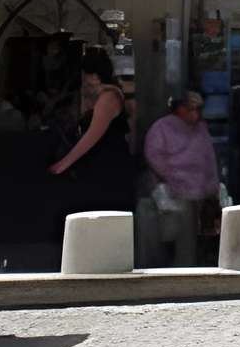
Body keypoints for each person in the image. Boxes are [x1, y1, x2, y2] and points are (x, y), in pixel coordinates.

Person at [49, 49, 135, 227]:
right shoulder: (98, 95)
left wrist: (64, 163)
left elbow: (92, 136)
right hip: (98, 166)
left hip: (109, 166)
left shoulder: (109, 97)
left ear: (93, 75)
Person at [142, 91, 223, 262]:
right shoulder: (161, 128)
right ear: (179, 108)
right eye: (190, 108)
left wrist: (212, 188)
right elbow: (154, 156)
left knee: (201, 237)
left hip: (201, 193)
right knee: (182, 236)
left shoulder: (201, 129)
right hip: (174, 191)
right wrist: (174, 178)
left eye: (197, 109)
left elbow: (209, 159)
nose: (195, 113)